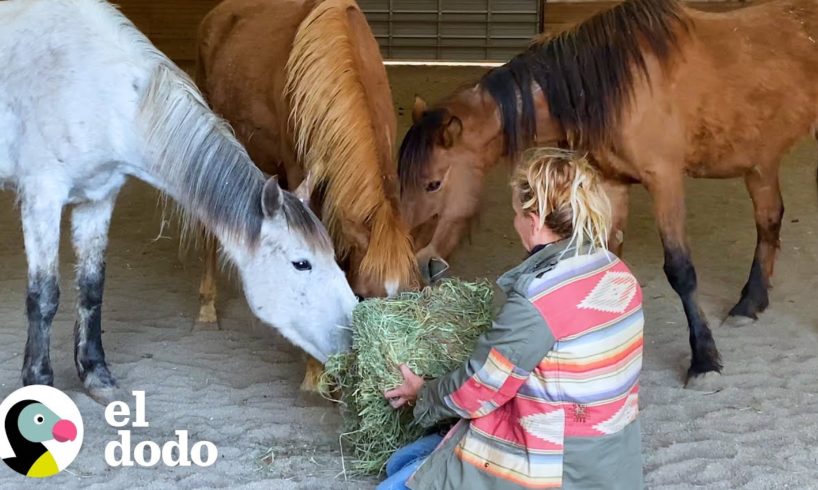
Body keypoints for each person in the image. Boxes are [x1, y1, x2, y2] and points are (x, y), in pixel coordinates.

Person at [380, 148, 645, 489]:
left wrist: (424, 393)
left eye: (517, 214)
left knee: (394, 484)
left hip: (558, 463)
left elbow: (479, 388)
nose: (514, 221)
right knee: (403, 461)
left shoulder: (537, 300)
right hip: (612, 456)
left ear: (533, 222)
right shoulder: (616, 270)